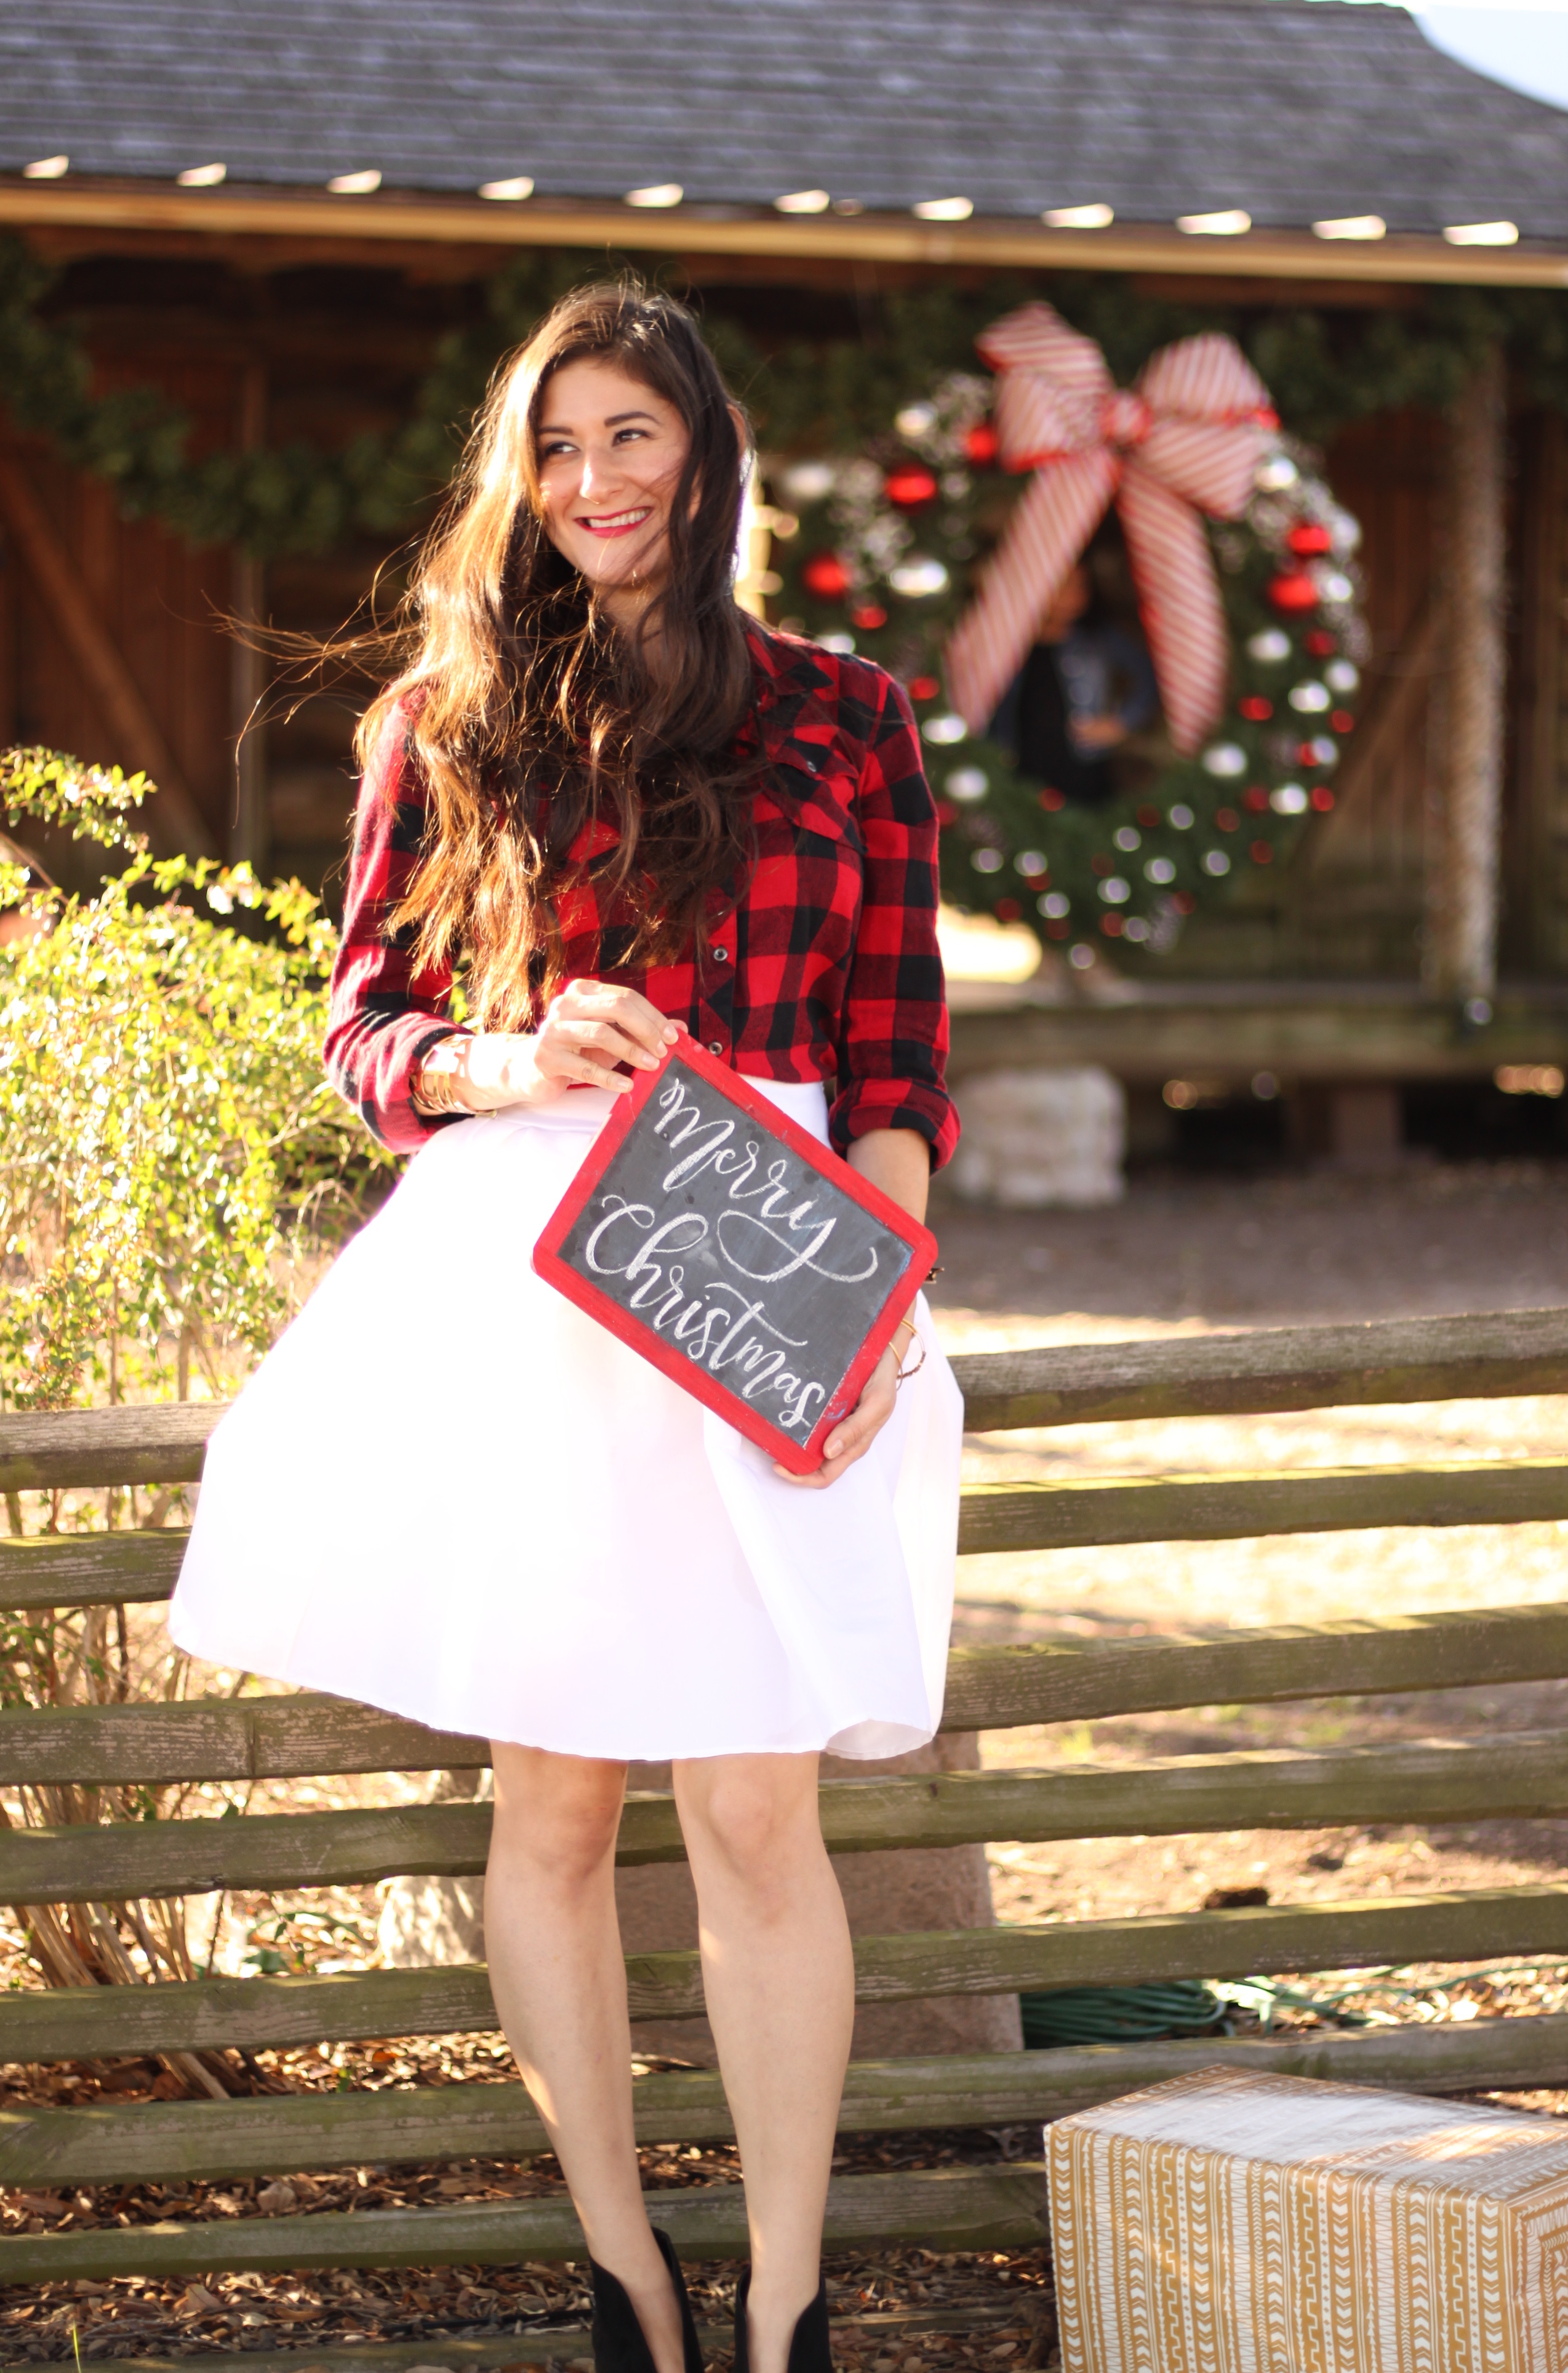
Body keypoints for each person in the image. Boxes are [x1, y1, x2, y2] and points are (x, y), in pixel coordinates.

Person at [168, 285, 964, 2373]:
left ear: (702, 459)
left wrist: (873, 1302)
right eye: (556, 445)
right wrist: (512, 1059)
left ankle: (794, 2303)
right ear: (519, 480)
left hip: (764, 1254)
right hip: (537, 1262)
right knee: (554, 1804)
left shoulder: (852, 717)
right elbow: (359, 1035)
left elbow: (896, 1066)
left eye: (631, 437)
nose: (593, 482)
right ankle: (628, 2280)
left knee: (755, 1806)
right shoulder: (449, 725)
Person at [992, 560, 1160, 805]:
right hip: (1018, 770)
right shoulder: (1008, 642)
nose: (1075, 595)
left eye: (1082, 586)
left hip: (1081, 769)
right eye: (1065, 585)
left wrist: (1122, 723)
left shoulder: (1098, 638)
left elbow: (1150, 678)